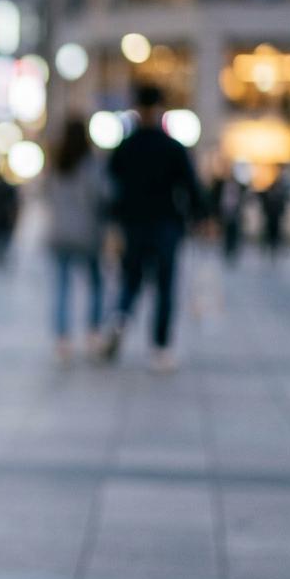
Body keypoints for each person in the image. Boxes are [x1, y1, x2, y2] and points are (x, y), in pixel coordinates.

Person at [101, 85, 206, 372]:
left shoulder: (126, 146)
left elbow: (110, 188)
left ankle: (120, 318)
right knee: (164, 286)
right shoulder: (172, 147)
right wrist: (201, 216)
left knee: (131, 280)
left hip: (133, 224)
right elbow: (191, 186)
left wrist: (113, 221)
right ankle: (160, 348)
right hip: (166, 224)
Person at [44, 116, 107, 363]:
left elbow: (47, 194)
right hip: (86, 233)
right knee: (96, 283)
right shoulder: (91, 164)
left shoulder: (57, 163)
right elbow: (102, 195)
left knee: (61, 286)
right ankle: (92, 331)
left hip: (59, 233)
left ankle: (62, 338)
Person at [208, 157, 247, 267]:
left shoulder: (239, 185)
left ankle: (232, 250)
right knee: (226, 232)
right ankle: (226, 250)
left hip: (235, 211)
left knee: (234, 231)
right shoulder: (221, 184)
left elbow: (242, 198)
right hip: (225, 210)